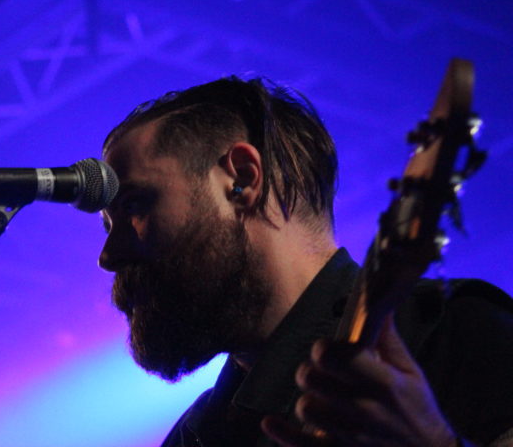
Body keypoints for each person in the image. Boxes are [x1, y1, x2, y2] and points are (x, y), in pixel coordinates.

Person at [97, 76, 513, 446]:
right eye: (107, 225)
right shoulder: (196, 435)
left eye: (134, 205)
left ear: (241, 180)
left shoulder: (452, 332)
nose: (108, 256)